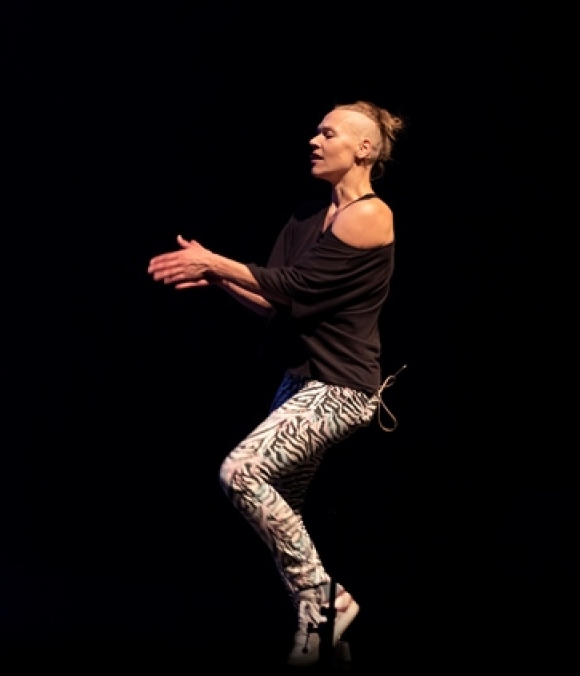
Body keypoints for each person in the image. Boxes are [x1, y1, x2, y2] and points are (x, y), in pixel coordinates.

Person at [147, 100, 406, 667]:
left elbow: (294, 286)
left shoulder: (370, 215)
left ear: (364, 149)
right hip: (300, 383)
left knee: (241, 472)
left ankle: (324, 602)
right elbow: (275, 302)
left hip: (341, 389)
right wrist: (218, 277)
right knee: (278, 505)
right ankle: (324, 641)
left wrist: (216, 262)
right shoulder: (306, 216)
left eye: (329, 133)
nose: (315, 140)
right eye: (316, 131)